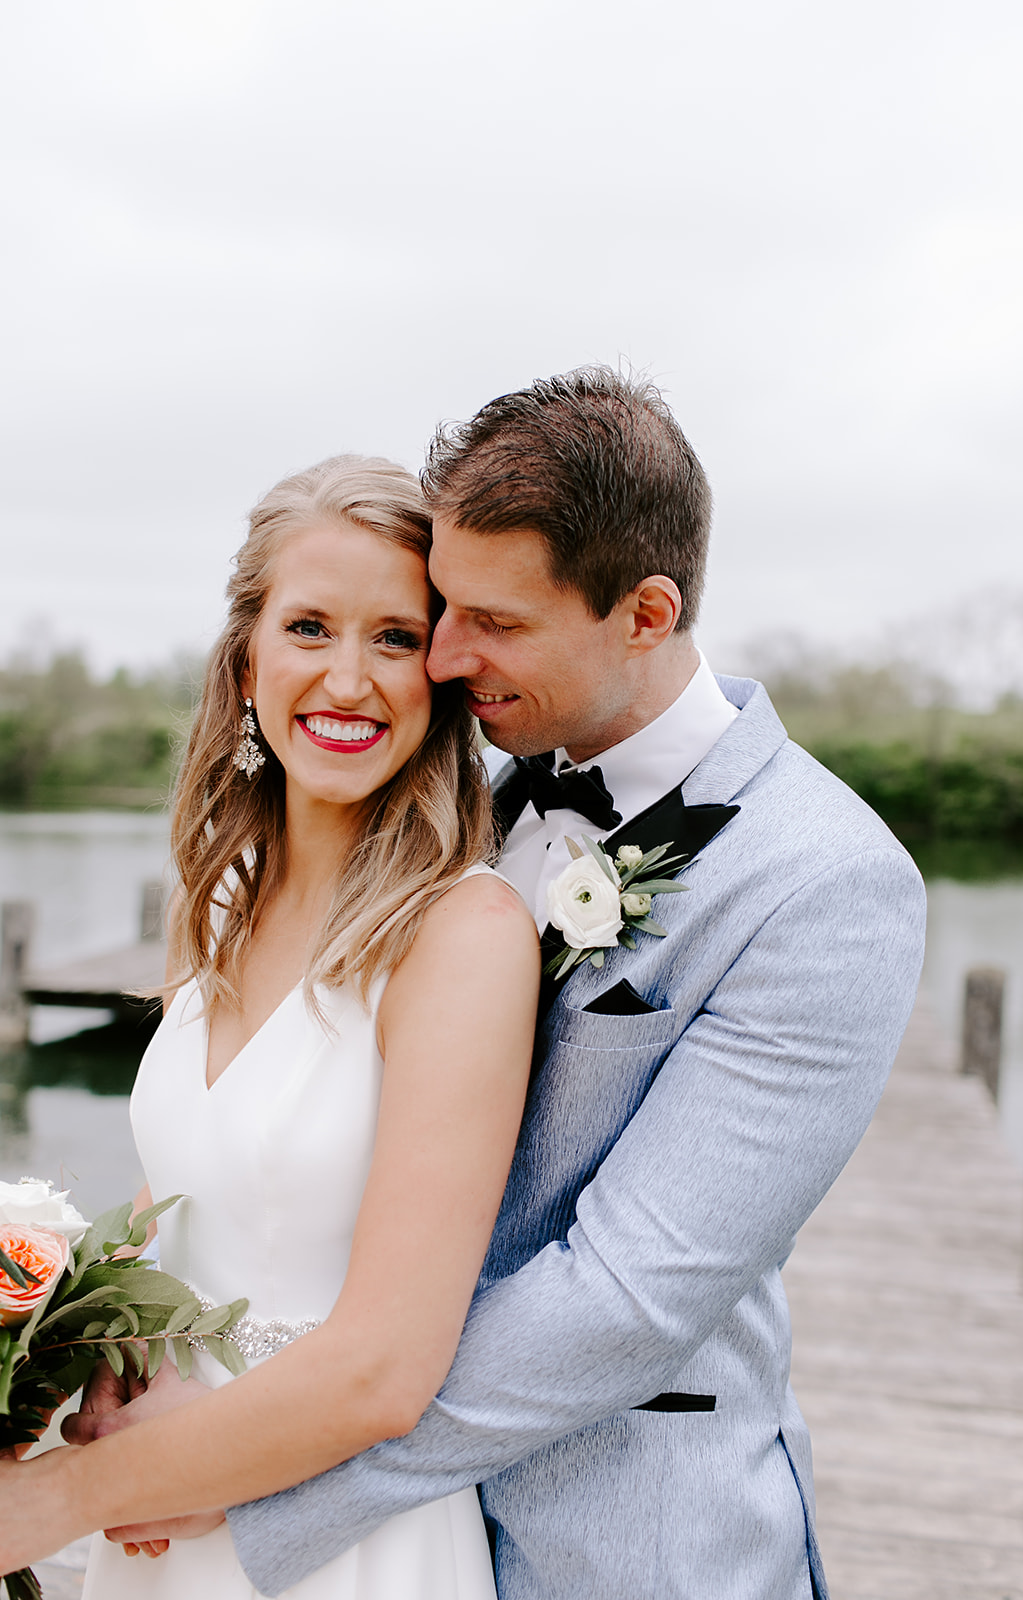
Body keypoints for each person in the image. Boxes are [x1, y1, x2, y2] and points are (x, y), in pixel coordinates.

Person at [1, 369, 927, 1600]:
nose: (437, 656)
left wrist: (225, 1467)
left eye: (480, 620)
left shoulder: (822, 883)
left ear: (643, 614)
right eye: (431, 611)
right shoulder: (452, 807)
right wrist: (121, 1339)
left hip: (612, 1538)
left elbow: (623, 1297)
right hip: (242, 1477)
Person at [0, 454, 540, 1597]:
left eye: (395, 637)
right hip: (155, 1503)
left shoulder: (463, 933)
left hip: (330, 1542)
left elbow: (386, 1369)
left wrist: (53, 1502)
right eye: (309, 627)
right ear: (247, 659)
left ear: (439, 674)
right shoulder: (232, 898)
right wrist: (63, 1348)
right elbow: (187, 1201)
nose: (348, 678)